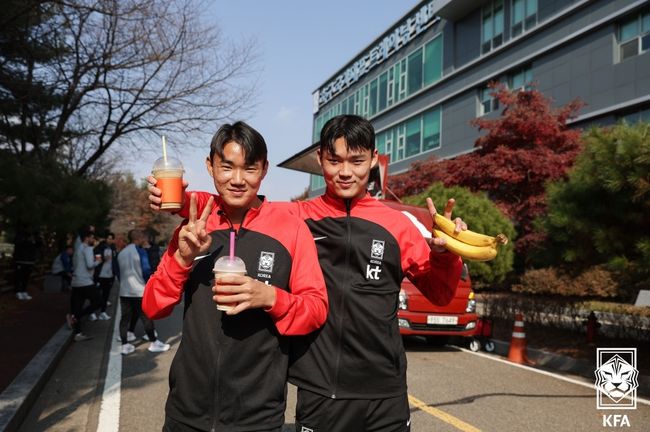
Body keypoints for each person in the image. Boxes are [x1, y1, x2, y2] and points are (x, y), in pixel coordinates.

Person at [150, 115, 465, 432]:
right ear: (320, 160)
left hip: (384, 390)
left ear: (373, 159)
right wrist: (176, 199)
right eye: (334, 160)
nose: (344, 172)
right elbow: (233, 203)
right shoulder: (297, 215)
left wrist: (447, 255)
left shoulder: (399, 225)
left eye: (356, 161)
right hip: (317, 389)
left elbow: (440, 294)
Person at [143, 121, 328, 432]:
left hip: (257, 416)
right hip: (186, 412)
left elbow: (316, 308)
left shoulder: (290, 229)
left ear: (265, 169)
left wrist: (269, 297)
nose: (238, 180)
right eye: (227, 167)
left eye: (250, 168)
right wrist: (182, 259)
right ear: (211, 166)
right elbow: (152, 307)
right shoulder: (194, 227)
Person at [118, 229, 169, 355]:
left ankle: (125, 345)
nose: (143, 239)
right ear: (137, 238)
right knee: (146, 318)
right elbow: (146, 270)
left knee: (124, 319)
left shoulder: (121, 253)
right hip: (140, 290)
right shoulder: (140, 251)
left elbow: (117, 272)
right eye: (142, 237)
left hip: (124, 291)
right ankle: (154, 342)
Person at [68, 228, 103, 341]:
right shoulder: (87, 248)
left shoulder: (78, 248)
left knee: (77, 305)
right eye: (92, 237)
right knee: (99, 301)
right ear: (87, 238)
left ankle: (78, 333)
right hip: (85, 281)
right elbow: (89, 265)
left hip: (76, 281)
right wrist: (98, 261)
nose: (93, 239)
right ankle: (76, 317)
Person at [93, 232, 118, 320]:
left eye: (111, 238)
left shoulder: (113, 248)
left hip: (110, 275)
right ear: (105, 239)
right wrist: (103, 259)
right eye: (108, 238)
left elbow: (115, 261)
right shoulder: (99, 247)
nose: (110, 240)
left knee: (106, 295)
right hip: (100, 275)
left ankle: (103, 312)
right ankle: (92, 312)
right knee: (95, 294)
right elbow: (96, 259)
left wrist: (115, 273)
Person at [12, 228, 38, 300]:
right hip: (20, 262)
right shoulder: (20, 243)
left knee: (25, 278)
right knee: (19, 277)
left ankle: (23, 291)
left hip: (28, 263)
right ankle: (18, 291)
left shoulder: (32, 244)